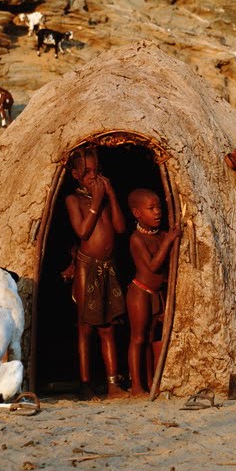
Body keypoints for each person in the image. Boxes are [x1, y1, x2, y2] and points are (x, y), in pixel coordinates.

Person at [65, 146, 130, 400]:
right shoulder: (74, 200)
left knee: (108, 327)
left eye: (96, 170)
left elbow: (120, 228)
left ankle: (113, 384)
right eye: (87, 171)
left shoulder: (104, 199)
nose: (93, 176)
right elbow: (83, 232)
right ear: (75, 175)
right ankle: (85, 385)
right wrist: (96, 202)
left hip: (109, 267)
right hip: (87, 267)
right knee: (86, 327)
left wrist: (110, 196)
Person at [125, 188, 181, 397]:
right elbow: (154, 266)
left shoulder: (162, 235)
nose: (157, 212)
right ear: (137, 213)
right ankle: (136, 386)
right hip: (140, 292)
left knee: (150, 338)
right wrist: (169, 241)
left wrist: (169, 238)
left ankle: (150, 382)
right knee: (138, 339)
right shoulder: (136, 239)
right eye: (151, 208)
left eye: (159, 207)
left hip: (157, 294)